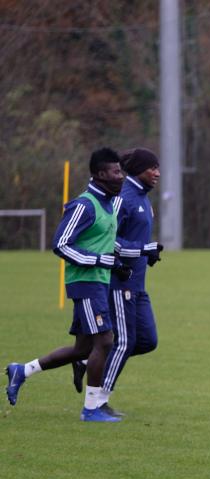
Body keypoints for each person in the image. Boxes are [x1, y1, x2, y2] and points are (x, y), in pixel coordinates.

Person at [5, 147, 130, 422]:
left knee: (83, 349)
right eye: (115, 172)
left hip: (99, 281)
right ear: (99, 175)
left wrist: (120, 260)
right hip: (85, 283)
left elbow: (104, 244)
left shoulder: (109, 203)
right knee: (106, 340)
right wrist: (101, 260)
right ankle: (92, 409)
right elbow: (61, 244)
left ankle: (22, 370)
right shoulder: (84, 205)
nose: (120, 177)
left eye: (121, 171)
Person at [71, 148, 163, 416]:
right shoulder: (124, 196)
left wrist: (148, 253)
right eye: (152, 167)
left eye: (158, 167)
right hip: (119, 280)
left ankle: (87, 362)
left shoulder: (143, 197)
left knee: (147, 340)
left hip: (138, 283)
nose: (157, 173)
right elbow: (110, 241)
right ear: (138, 170)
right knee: (123, 341)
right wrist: (142, 250)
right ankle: (98, 401)